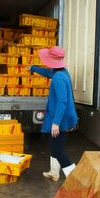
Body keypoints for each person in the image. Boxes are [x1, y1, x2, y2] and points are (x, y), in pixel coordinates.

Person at [30, 46, 78, 180]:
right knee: (55, 145)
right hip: (64, 116)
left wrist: (55, 123)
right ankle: (54, 172)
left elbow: (62, 102)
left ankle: (76, 180)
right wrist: (33, 68)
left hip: (61, 119)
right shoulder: (61, 72)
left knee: (58, 149)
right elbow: (47, 73)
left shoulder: (58, 79)